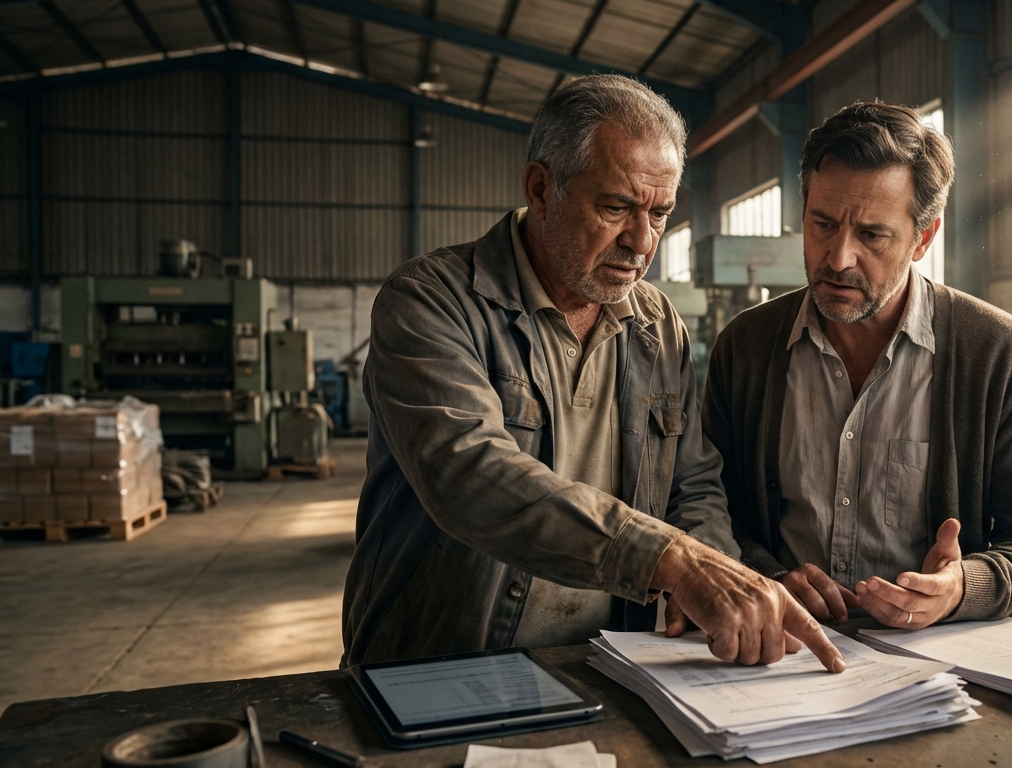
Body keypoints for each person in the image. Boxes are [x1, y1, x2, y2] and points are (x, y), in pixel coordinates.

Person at [341, 74, 842, 673]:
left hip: (602, 665)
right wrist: (671, 560)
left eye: (659, 213)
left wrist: (711, 572)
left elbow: (694, 485)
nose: (641, 241)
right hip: (439, 662)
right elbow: (469, 473)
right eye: (615, 207)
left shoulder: (657, 325)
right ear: (541, 188)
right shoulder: (431, 302)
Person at [703, 102, 1012, 631]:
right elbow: (706, 513)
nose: (838, 257)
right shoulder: (746, 348)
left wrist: (960, 589)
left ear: (923, 237)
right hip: (783, 650)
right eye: (822, 224)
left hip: (935, 664)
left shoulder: (997, 352)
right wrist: (765, 575)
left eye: (872, 235)